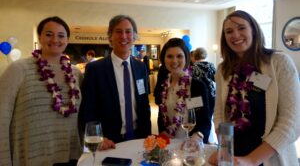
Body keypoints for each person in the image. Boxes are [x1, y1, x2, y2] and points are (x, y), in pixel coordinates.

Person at [208, 10, 300, 166]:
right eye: (229, 31)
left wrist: (252, 160)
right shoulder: (223, 69)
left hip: (270, 157)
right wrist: (224, 149)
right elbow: (219, 114)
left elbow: (292, 122)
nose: (235, 35)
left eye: (241, 28)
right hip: (234, 157)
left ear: (254, 30)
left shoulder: (279, 63)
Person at [0, 16, 83, 166]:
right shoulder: (19, 69)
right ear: (40, 37)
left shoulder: (76, 74)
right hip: (31, 159)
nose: (55, 40)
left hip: (70, 157)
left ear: (67, 40)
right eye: (49, 34)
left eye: (61, 35)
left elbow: (82, 116)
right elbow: (2, 116)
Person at [78, 15, 151, 149]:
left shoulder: (140, 67)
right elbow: (88, 109)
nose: (124, 36)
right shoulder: (95, 69)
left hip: (139, 138)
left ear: (134, 36)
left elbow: (144, 102)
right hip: (108, 141)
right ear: (110, 36)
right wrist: (96, 138)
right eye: (118, 31)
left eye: (128, 31)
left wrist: (148, 135)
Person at [154, 38, 212, 143]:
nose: (174, 61)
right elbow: (161, 114)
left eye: (179, 56)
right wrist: (162, 131)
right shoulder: (163, 85)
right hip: (170, 144)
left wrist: (197, 137)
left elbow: (205, 121)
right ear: (164, 59)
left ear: (186, 58)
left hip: (190, 145)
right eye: (170, 56)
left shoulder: (197, 86)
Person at [191, 47, 216, 115]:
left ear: (195, 55)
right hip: (210, 93)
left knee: (197, 117)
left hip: (196, 95)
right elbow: (215, 80)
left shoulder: (192, 67)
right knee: (209, 117)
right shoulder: (211, 65)